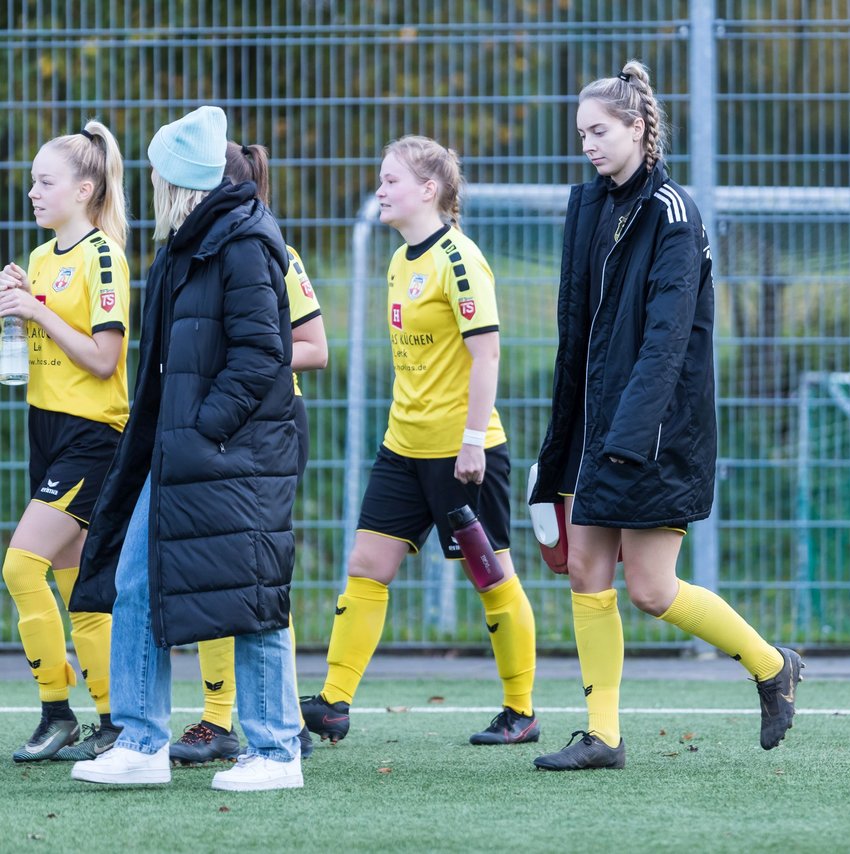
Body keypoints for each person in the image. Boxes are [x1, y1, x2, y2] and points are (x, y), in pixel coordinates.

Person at [528, 61, 803, 771]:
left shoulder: (673, 213)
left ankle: (773, 666)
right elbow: (577, 328)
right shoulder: (589, 206)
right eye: (580, 132)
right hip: (599, 429)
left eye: (599, 131)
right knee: (587, 573)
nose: (587, 144)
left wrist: (627, 437)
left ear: (639, 128)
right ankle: (604, 736)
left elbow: (667, 341)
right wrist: (568, 435)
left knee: (651, 591)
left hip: (652, 432)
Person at [67, 105, 304, 791]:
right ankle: (142, 742)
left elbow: (264, 354)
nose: (148, 185)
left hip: (232, 456)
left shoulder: (241, 242)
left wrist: (204, 428)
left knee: (254, 597)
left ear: (181, 181)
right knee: (137, 583)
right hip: (185, 456)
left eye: (156, 175)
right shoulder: (190, 243)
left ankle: (278, 752)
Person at [299, 135, 539, 747]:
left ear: (429, 190)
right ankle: (333, 702)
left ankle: (521, 711)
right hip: (401, 447)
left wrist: (470, 442)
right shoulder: (399, 260)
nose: (379, 190)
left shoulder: (460, 259)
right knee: (366, 566)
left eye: (391, 180)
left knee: (493, 579)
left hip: (463, 455)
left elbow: (486, 356)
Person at [167, 141, 329, 765]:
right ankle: (221, 717)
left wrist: (245, 356)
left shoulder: (270, 251)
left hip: (266, 426)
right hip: (219, 430)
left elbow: (313, 347)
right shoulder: (193, 253)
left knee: (255, 571)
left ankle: (269, 723)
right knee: (217, 568)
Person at [0, 122, 130, 763]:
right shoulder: (44, 257)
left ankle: (57, 711)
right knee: (77, 584)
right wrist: (15, 311)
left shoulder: (103, 255)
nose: (32, 192)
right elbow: (41, 348)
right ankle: (112, 719)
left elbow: (104, 360)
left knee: (20, 567)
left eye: (44, 182)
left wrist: (36, 310)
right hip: (46, 430)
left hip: (92, 434)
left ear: (84, 188)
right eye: (30, 182)